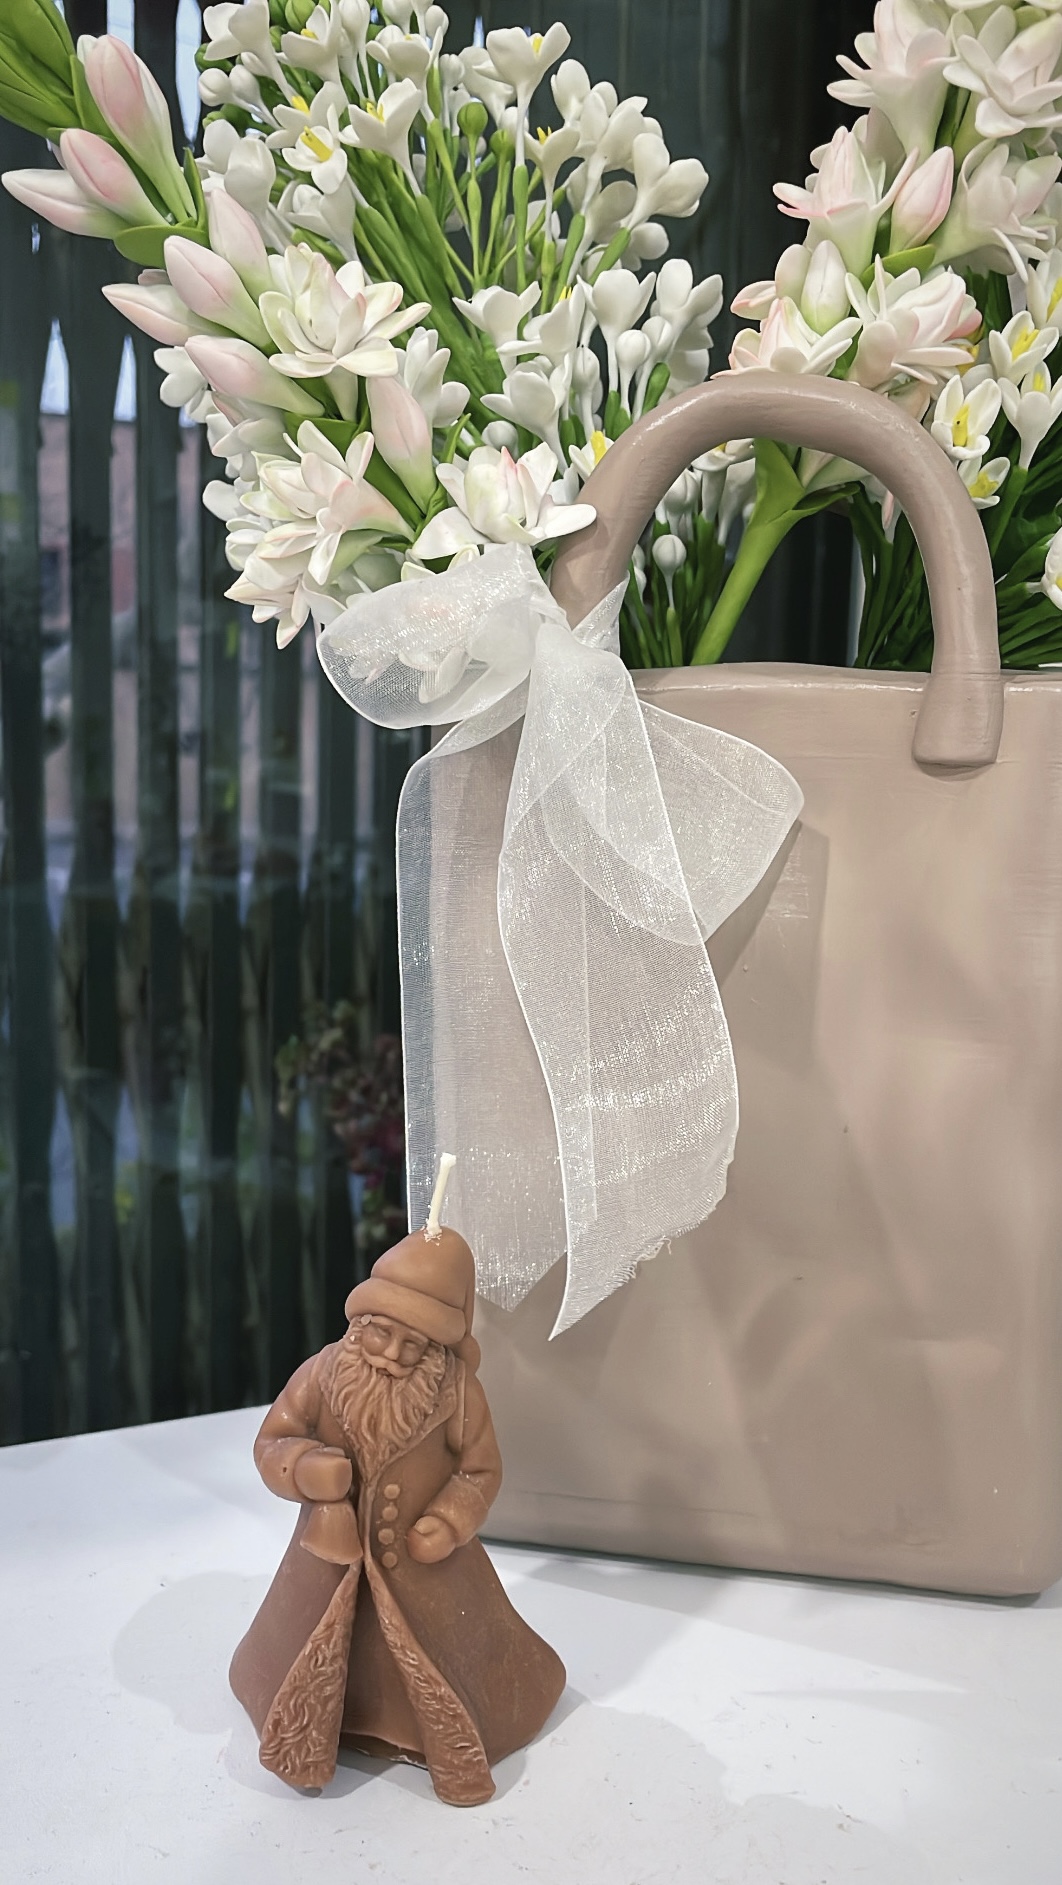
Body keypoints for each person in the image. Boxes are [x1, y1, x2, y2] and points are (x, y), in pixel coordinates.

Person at [229, 1218, 566, 1807]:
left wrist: (451, 1519)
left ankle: (428, 1737)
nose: (391, 1356)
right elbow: (272, 1441)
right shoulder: (322, 1373)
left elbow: (480, 1471)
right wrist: (303, 1468)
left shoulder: (457, 1393)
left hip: (426, 1573)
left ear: (437, 1348)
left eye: (413, 1346)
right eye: (381, 1334)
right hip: (326, 1564)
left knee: (438, 1660)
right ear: (359, 1322)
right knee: (312, 1649)